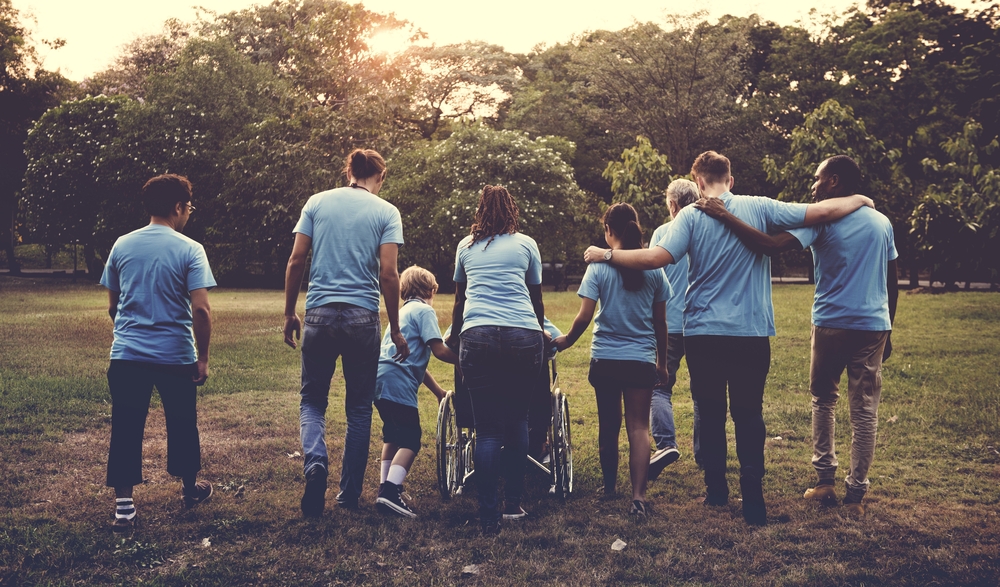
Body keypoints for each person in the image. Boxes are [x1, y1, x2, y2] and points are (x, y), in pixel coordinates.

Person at [584, 150, 874, 526]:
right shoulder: (761, 206)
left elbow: (654, 258)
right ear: (731, 180)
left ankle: (717, 491)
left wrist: (607, 254)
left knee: (712, 411)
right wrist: (860, 199)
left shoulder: (689, 216)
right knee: (749, 413)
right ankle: (753, 497)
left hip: (704, 333)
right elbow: (822, 212)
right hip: (751, 332)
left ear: (699, 183)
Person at [695, 155, 898, 516]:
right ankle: (857, 489)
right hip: (874, 324)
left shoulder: (823, 221)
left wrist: (725, 215)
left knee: (824, 398)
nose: (814, 185)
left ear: (834, 180)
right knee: (865, 408)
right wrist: (889, 327)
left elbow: (771, 246)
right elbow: (891, 279)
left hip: (832, 321)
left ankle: (824, 482)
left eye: (818, 178)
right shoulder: (881, 222)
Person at [283, 148, 409, 518]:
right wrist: (396, 328)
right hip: (361, 318)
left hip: (320, 315)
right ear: (380, 176)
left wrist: (290, 312)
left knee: (312, 401)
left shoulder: (317, 203)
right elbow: (389, 274)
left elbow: (296, 260)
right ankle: (348, 494)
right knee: (358, 408)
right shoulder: (386, 211)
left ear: (348, 171)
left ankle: (316, 463)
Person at [100, 174, 215, 531]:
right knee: (182, 423)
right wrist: (203, 357)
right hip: (174, 354)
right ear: (178, 207)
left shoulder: (122, 245)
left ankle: (124, 507)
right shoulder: (190, 249)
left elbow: (112, 306)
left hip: (127, 355)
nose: (189, 213)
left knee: (126, 426)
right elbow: (201, 310)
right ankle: (189, 488)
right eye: (189, 207)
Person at [555, 203, 670, 516]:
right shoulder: (654, 269)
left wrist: (567, 340)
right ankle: (638, 498)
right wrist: (662, 363)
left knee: (609, 427)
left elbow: (583, 318)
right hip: (641, 360)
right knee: (639, 429)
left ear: (609, 232)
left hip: (605, 358)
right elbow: (661, 323)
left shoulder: (598, 268)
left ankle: (608, 489)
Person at [447, 185, 546, 535]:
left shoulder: (465, 246)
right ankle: (513, 504)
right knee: (517, 420)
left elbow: (460, 302)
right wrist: (541, 331)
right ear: (511, 210)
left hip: (478, 337)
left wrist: (455, 336)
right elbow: (535, 300)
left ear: (480, 211)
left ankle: (488, 515)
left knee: (487, 429)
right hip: (523, 336)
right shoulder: (526, 244)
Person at [374, 265, 458, 518]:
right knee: (411, 439)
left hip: (380, 379)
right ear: (430, 290)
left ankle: (387, 487)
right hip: (398, 383)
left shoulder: (402, 313)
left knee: (393, 436)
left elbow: (417, 363)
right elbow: (439, 350)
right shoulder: (424, 311)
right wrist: (467, 361)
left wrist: (438, 392)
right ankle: (390, 492)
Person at [648, 179, 700, 482]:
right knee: (702, 391)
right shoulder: (708, 232)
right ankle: (705, 454)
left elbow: (654, 280)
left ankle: (666, 444)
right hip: (700, 325)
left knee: (659, 387)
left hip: (668, 324)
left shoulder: (662, 234)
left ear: (672, 205)